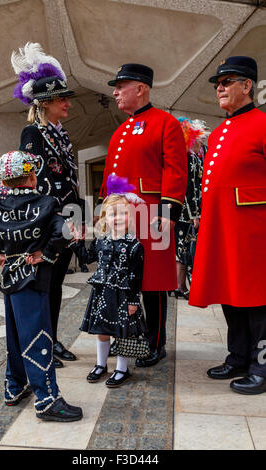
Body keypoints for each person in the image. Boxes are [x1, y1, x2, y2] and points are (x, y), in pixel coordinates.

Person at [0, 151, 83, 421]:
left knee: (16, 336)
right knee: (37, 336)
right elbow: (65, 232)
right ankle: (46, 400)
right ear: (32, 177)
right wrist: (45, 254)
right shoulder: (45, 203)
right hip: (34, 277)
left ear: (5, 182)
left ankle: (14, 388)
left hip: (10, 277)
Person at [97, 64, 187, 367]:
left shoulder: (165, 122)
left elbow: (175, 169)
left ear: (141, 88)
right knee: (122, 278)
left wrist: (169, 210)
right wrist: (104, 215)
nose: (115, 92)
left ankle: (155, 342)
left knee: (153, 281)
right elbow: (110, 176)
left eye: (120, 86)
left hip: (152, 213)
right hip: (122, 217)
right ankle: (128, 337)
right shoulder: (121, 129)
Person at [189, 56, 266, 395]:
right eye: (217, 83)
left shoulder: (263, 123)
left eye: (227, 81)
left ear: (247, 86)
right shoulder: (220, 130)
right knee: (231, 296)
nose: (219, 87)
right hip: (222, 227)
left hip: (254, 230)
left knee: (258, 300)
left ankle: (261, 365)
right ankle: (238, 356)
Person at [11, 42, 82, 368]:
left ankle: (52, 340)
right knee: (43, 286)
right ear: (44, 104)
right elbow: (37, 182)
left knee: (56, 285)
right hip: (47, 221)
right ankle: (41, 345)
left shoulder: (62, 134)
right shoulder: (33, 133)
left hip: (65, 219)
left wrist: (77, 219)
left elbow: (70, 182)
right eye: (61, 99)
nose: (67, 104)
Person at [73, 178, 147, 387]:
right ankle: (100, 364)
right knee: (102, 330)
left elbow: (136, 276)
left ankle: (122, 369)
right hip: (103, 294)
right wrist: (76, 242)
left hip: (124, 296)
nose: (119, 217)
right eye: (114, 213)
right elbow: (87, 258)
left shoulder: (134, 246)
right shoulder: (101, 240)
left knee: (123, 332)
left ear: (129, 217)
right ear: (106, 217)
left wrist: (134, 301)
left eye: (123, 213)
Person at [170, 117, 209, 299]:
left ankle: (182, 285)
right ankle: (179, 286)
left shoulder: (196, 155)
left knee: (187, 249)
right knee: (182, 249)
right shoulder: (185, 156)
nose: (201, 142)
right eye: (199, 138)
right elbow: (188, 187)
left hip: (194, 211)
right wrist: (194, 213)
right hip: (184, 213)